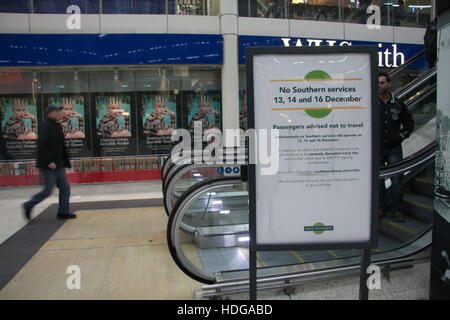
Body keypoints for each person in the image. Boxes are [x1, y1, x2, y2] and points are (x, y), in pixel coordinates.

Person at [23, 106, 76, 220]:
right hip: (49, 165)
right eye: (58, 112)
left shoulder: (56, 125)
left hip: (58, 164)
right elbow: (42, 145)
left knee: (65, 187)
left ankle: (63, 212)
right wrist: (49, 161)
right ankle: (29, 204)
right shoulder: (46, 125)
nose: (60, 114)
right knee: (48, 190)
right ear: (51, 113)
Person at [378, 73, 414, 222]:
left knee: (397, 179)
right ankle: (380, 207)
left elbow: (409, 122)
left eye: (382, 82)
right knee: (377, 180)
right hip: (377, 148)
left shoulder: (398, 104)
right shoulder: (371, 103)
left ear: (389, 84)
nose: (379, 85)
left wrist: (402, 136)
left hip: (394, 148)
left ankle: (396, 209)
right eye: (377, 83)